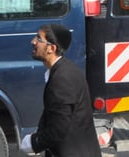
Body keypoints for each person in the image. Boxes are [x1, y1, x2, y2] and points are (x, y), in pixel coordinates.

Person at [21, 23, 102, 157]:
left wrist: (33, 143)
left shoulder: (62, 80)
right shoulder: (64, 70)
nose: (33, 41)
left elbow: (58, 129)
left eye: (38, 38)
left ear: (51, 48)